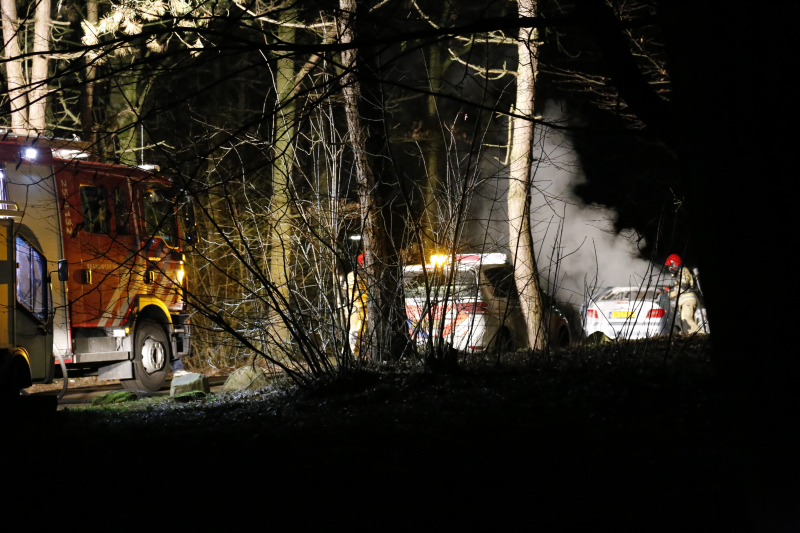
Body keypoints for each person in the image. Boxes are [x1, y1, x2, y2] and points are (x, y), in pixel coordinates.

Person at [665, 254, 701, 335]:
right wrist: (670, 290)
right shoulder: (680, 273)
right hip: (684, 301)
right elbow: (680, 287)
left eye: (670, 266)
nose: (669, 268)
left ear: (674, 264)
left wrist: (672, 293)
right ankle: (692, 338)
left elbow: (683, 286)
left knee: (688, 319)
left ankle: (702, 335)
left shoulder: (683, 271)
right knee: (685, 323)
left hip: (688, 299)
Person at [345, 253, 368, 357]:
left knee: (365, 331)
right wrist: (357, 304)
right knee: (355, 331)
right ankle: (353, 355)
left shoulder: (369, 275)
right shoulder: (352, 276)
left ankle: (362, 355)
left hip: (367, 308)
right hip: (356, 308)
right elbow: (349, 292)